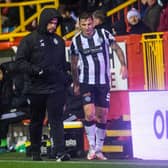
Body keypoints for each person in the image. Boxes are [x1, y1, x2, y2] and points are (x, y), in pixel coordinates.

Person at [15, 8, 71, 161]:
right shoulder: (29, 40)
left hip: (55, 88)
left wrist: (66, 75)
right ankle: (35, 152)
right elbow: (19, 62)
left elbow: (59, 64)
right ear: (43, 21)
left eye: (55, 23)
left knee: (57, 120)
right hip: (36, 88)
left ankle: (60, 151)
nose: (53, 26)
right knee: (36, 121)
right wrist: (36, 70)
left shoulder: (59, 41)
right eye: (50, 22)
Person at [70, 12, 128, 160]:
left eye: (89, 24)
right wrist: (76, 84)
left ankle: (99, 149)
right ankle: (91, 147)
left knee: (102, 117)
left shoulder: (103, 34)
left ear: (93, 23)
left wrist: (123, 65)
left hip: (103, 82)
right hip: (86, 81)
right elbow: (74, 64)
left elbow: (116, 48)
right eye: (84, 25)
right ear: (80, 25)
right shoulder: (76, 41)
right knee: (89, 114)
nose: (87, 27)